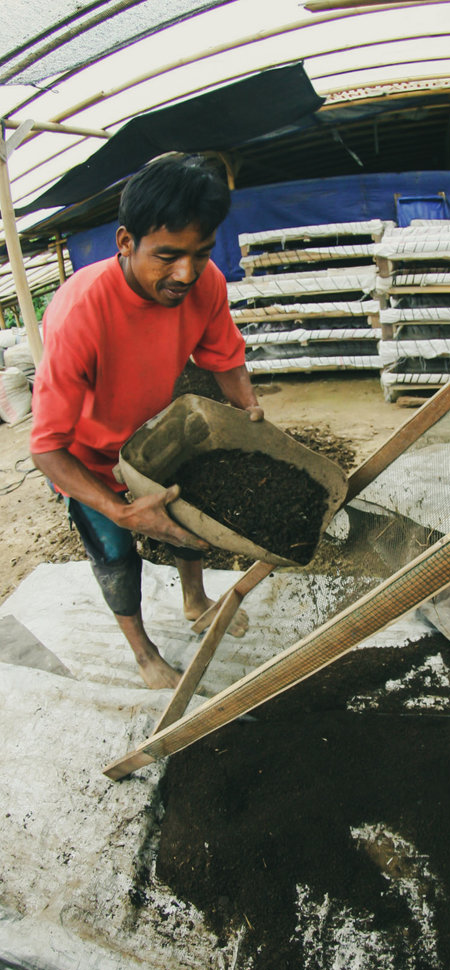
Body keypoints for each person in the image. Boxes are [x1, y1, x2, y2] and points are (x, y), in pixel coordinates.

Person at [30, 153, 263, 689]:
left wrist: (250, 413)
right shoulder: (79, 314)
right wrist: (120, 508)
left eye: (200, 255)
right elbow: (46, 447)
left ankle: (195, 600)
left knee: (183, 517)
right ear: (125, 242)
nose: (185, 274)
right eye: (168, 256)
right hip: (85, 454)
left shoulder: (203, 287)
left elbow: (225, 359)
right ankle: (143, 653)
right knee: (114, 550)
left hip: (153, 432)